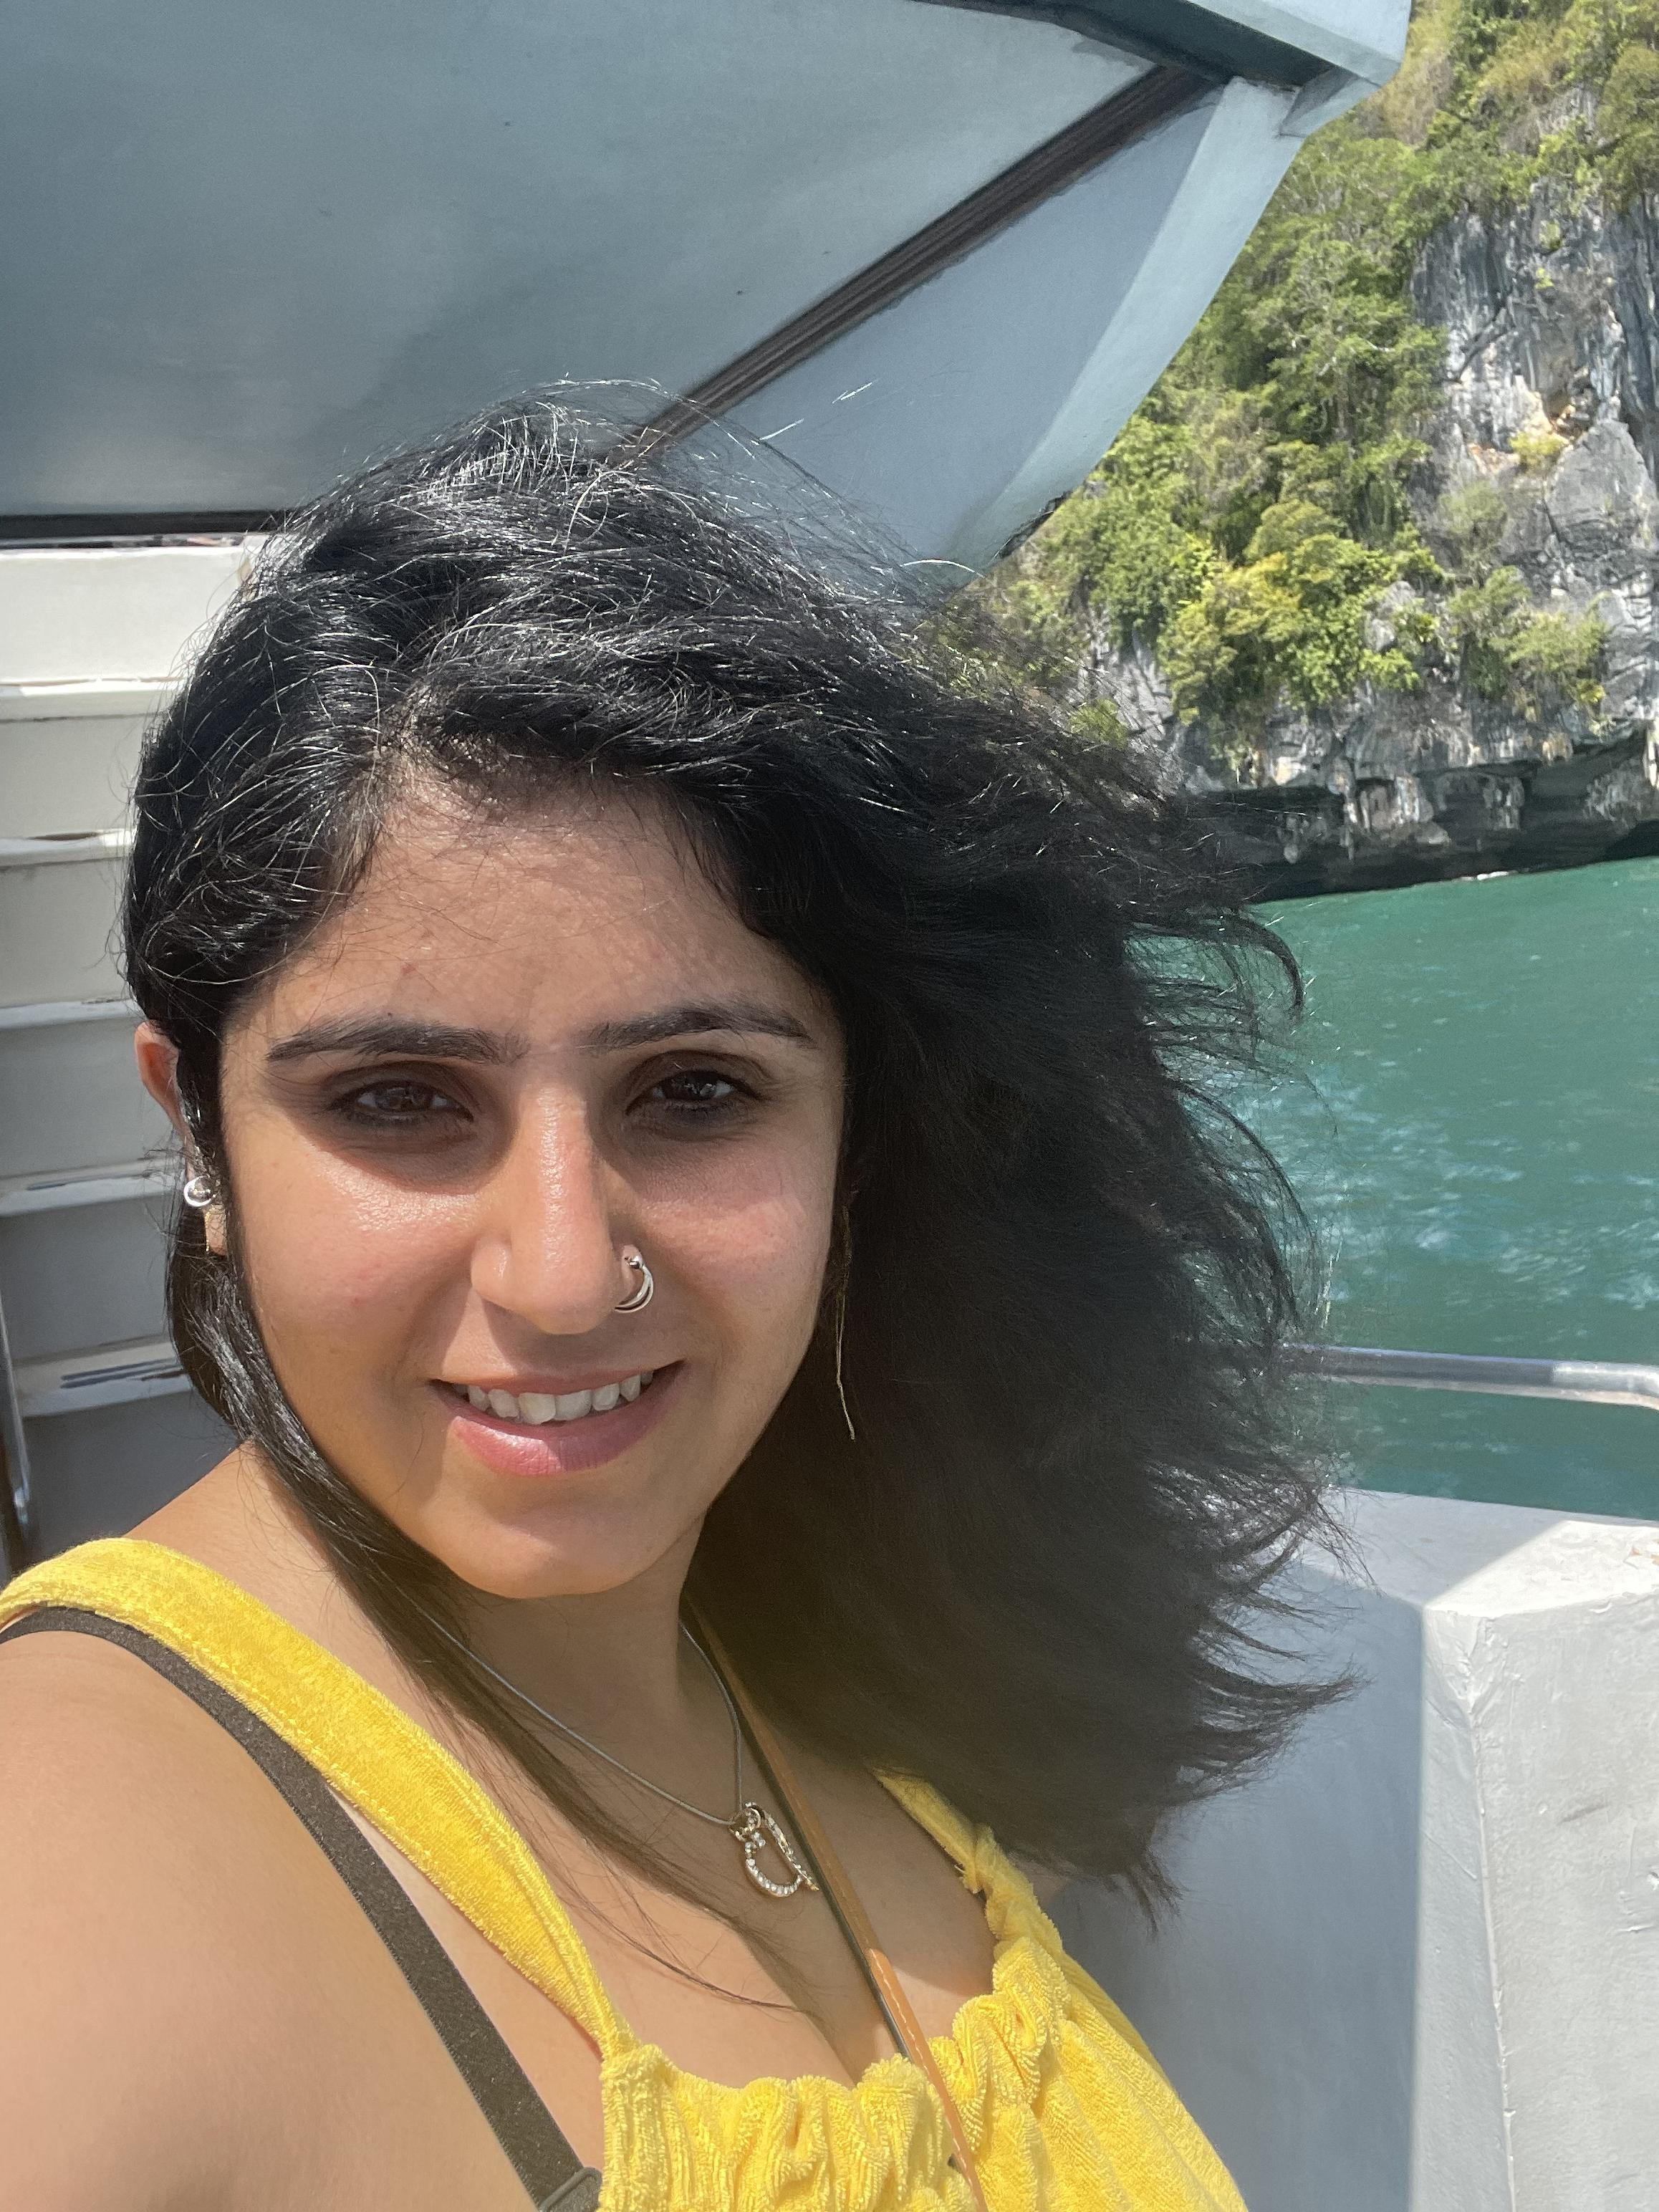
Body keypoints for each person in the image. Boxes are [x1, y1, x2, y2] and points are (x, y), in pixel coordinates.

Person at [0, 401, 1324, 2210]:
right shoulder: (76, 1840)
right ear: (200, 1134)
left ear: (859, 1119)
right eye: (398, 1099)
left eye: (695, 1091)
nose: (563, 1274)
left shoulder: (832, 1619)